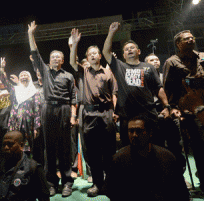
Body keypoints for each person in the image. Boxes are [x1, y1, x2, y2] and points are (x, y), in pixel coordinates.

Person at [28, 21, 77, 197]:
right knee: (49, 148)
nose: (55, 58)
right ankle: (51, 183)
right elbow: (35, 52)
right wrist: (31, 34)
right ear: (49, 60)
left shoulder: (69, 75)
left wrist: (72, 116)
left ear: (63, 60)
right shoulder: (45, 71)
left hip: (64, 109)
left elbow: (73, 97)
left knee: (65, 148)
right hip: (48, 109)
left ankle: (67, 182)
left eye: (58, 57)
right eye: (53, 56)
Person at [102, 22, 170, 148]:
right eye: (126, 49)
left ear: (138, 51)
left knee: (154, 146)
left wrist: (167, 106)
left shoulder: (149, 67)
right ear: (123, 55)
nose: (129, 50)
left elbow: (158, 88)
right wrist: (111, 32)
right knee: (129, 149)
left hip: (148, 113)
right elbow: (106, 52)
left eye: (132, 48)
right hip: (127, 116)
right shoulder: (119, 66)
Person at [70, 28, 118, 197]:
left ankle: (110, 183)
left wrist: (113, 111)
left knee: (109, 150)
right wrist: (74, 44)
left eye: (95, 53)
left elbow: (114, 93)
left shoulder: (108, 72)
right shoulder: (83, 71)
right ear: (87, 57)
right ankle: (98, 183)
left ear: (99, 56)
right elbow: (72, 61)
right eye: (89, 53)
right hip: (89, 115)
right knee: (92, 151)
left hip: (106, 113)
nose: (92, 55)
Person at [106, 116, 190, 201]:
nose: (134, 135)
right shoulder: (119, 159)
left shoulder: (167, 157)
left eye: (139, 131)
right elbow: (111, 192)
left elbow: (181, 192)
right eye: (131, 131)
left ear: (150, 133)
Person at [163, 29, 204, 191]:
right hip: (181, 110)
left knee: (201, 146)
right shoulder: (171, 62)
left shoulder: (201, 57)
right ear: (178, 44)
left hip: (201, 108)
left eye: (192, 37)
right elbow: (167, 89)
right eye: (186, 39)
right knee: (179, 147)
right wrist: (171, 107)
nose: (190, 40)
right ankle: (180, 182)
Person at [0, 130, 50, 201]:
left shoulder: (33, 168)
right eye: (4, 144)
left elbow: (44, 198)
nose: (6, 148)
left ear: (21, 145)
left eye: (10, 144)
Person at [5, 70, 42, 158]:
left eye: (26, 75)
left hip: (29, 124)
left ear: (30, 78)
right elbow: (5, 83)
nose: (24, 77)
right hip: (15, 122)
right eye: (21, 75)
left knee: (28, 146)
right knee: (14, 143)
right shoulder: (15, 90)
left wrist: (37, 127)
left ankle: (27, 168)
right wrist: (1, 69)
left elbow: (37, 110)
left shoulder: (35, 92)